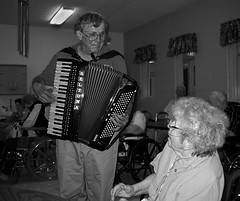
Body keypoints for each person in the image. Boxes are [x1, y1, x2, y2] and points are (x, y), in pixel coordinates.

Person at [31, 12, 130, 201]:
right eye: (92, 34)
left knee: (100, 190)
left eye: (102, 34)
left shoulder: (115, 59)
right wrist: (37, 86)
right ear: (79, 34)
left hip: (103, 135)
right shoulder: (64, 57)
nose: (99, 39)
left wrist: (124, 115)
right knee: (70, 190)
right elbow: (41, 79)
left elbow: (126, 95)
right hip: (67, 132)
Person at [111, 96, 229, 201]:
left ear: (189, 141)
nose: (168, 126)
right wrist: (133, 189)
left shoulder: (203, 178)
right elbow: (159, 178)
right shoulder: (174, 147)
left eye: (173, 125)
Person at [0, 94, 48, 182]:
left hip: (37, 134)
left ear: (27, 103)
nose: (25, 107)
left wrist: (22, 126)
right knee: (8, 142)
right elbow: (28, 120)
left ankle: (6, 172)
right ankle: (4, 170)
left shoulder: (38, 105)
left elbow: (30, 121)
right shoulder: (34, 107)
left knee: (11, 143)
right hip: (33, 132)